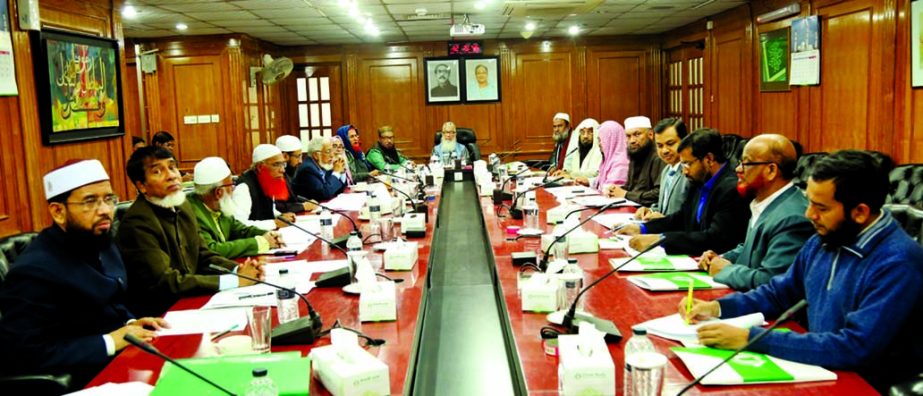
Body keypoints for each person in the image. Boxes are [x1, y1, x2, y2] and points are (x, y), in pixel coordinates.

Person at [679, 150, 923, 392]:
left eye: (821, 208)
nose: (809, 215)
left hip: (864, 384)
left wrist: (750, 339)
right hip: (820, 369)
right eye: (809, 203)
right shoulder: (827, 237)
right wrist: (718, 309)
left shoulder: (898, 261)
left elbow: (856, 347)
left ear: (860, 212)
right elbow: (779, 293)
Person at [0, 160, 167, 387]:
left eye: (109, 199)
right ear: (58, 211)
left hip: (125, 364)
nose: (106, 210)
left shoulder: (100, 240)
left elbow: (110, 300)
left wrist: (132, 322)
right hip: (84, 378)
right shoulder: (33, 271)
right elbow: (24, 353)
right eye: (90, 201)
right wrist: (109, 341)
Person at [118, 147, 264, 317]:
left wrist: (238, 270)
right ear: (141, 185)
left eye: (172, 167)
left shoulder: (182, 205)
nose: (171, 175)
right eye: (158, 171)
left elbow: (203, 255)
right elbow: (167, 282)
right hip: (162, 314)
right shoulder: (137, 222)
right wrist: (234, 280)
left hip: (193, 300)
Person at [697, 134, 813, 290]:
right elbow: (750, 249)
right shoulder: (765, 201)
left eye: (746, 163)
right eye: (739, 162)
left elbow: (772, 281)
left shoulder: (792, 218)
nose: (738, 169)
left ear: (771, 170)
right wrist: (720, 258)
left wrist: (725, 270)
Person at [618, 129, 750, 255]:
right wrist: (642, 228)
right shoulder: (699, 181)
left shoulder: (732, 189)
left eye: (688, 164)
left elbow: (714, 238)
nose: (684, 171)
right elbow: (681, 218)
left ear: (709, 159)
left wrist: (661, 240)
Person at [189, 157, 284, 259]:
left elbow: (240, 230)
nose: (233, 189)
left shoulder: (219, 207)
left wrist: (268, 234)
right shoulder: (192, 214)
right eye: (231, 185)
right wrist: (259, 243)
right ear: (218, 192)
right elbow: (212, 250)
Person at [233, 144, 316, 231]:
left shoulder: (268, 180)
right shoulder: (243, 188)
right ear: (260, 167)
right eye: (276, 165)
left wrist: (280, 216)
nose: (282, 170)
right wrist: (274, 223)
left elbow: (269, 210)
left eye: (283, 164)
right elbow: (239, 224)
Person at [634, 118, 690, 220]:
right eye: (659, 146)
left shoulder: (690, 173)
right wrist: (650, 210)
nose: (664, 151)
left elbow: (690, 217)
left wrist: (664, 219)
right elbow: (663, 207)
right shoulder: (666, 170)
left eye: (670, 144)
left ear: (684, 141)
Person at [606, 116, 665, 207]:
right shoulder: (636, 154)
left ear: (650, 135)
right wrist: (615, 190)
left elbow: (659, 194)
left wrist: (626, 194)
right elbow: (631, 187)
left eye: (637, 134)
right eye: (628, 136)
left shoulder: (658, 158)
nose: (632, 141)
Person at [293, 136, 347, 201]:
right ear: (316, 155)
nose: (332, 155)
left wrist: (341, 171)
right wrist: (336, 172)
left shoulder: (322, 165)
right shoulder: (308, 169)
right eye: (328, 151)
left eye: (332, 151)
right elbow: (324, 193)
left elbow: (337, 189)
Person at [553, 118, 602, 186]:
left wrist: (571, 175)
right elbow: (573, 169)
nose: (585, 136)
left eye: (590, 132)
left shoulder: (599, 151)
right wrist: (564, 172)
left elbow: (595, 173)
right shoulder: (577, 150)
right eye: (582, 132)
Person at [591, 120, 630, 190]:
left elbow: (610, 190)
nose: (599, 144)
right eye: (598, 140)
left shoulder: (621, 162)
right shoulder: (610, 158)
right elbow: (601, 180)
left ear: (612, 140)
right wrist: (588, 181)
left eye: (602, 140)